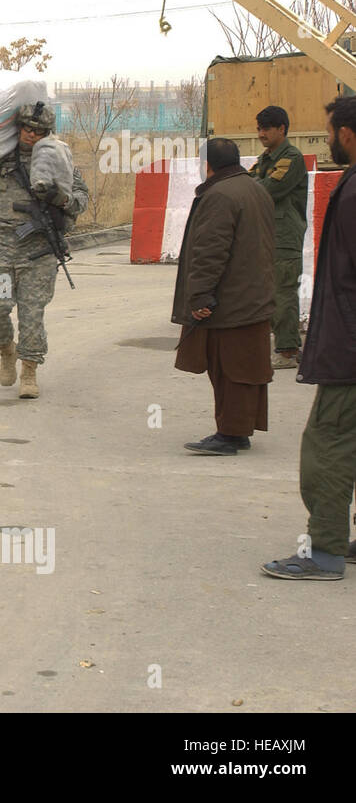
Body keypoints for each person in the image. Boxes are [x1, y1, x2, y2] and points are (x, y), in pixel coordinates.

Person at [262, 96, 356, 580]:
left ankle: (324, 552)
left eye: (330, 130)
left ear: (346, 133)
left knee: (329, 443)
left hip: (349, 352)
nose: (328, 138)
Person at [0, 102, 89, 399]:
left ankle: (30, 372)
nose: (31, 135)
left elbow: (80, 199)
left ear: (47, 133)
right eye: (27, 128)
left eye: (38, 131)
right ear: (17, 127)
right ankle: (5, 349)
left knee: (32, 314)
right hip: (2, 247)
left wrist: (58, 197)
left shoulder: (57, 160)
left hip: (39, 251)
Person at [172, 137, 275, 455]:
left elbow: (209, 251)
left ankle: (230, 434)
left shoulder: (219, 195)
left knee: (228, 367)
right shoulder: (255, 188)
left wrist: (200, 295)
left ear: (208, 165)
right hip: (255, 295)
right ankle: (239, 429)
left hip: (232, 300)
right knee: (248, 367)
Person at [249, 105, 309, 369]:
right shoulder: (266, 159)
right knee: (271, 293)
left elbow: (269, 188)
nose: (261, 133)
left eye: (266, 128)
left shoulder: (291, 158)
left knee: (284, 293)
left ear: (281, 129)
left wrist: (247, 188)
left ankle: (287, 351)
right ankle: (284, 346)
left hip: (285, 236)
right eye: (259, 128)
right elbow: (247, 181)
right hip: (268, 235)